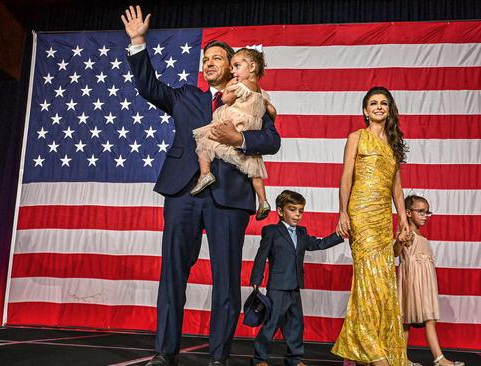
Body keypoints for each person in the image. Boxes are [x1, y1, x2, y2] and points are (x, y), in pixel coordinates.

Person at [121, 6, 281, 366]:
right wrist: (137, 42)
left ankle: (218, 358)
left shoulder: (254, 100)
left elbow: (272, 141)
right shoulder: (185, 97)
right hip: (183, 194)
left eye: (218, 58)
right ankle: (165, 353)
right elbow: (148, 86)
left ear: (233, 65)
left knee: (226, 281)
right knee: (172, 274)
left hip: (229, 199)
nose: (209, 63)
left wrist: (240, 138)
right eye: (205, 58)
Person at [331, 86, 410, 366]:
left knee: (384, 282)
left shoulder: (393, 143)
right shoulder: (357, 137)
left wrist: (403, 219)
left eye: (384, 103)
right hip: (360, 214)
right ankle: (372, 351)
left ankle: (377, 346)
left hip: (382, 217)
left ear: (389, 110)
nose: (378, 107)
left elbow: (397, 188)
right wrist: (343, 213)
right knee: (368, 277)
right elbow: (346, 177)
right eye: (373, 103)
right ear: (365, 110)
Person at [249, 190, 345, 366]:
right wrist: (256, 280)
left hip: (294, 287)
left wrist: (339, 235)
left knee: (295, 325)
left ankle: (294, 359)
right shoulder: (271, 231)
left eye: (300, 211)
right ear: (280, 211)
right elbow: (261, 256)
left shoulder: (302, 233)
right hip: (277, 287)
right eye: (292, 210)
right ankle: (259, 359)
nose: (297, 215)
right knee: (271, 324)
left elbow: (319, 244)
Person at [190, 48, 275, 220]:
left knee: (204, 140)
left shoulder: (240, 85)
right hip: (250, 127)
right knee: (254, 168)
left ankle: (205, 173)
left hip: (233, 122)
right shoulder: (261, 92)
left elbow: (226, 100)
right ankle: (263, 200)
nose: (233, 71)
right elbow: (272, 111)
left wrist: (228, 88)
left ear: (251, 67)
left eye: (236, 66)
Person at [394, 195, 465, 366]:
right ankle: (439, 359)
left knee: (409, 321)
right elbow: (395, 252)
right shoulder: (407, 232)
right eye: (421, 212)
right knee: (420, 319)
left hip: (423, 280)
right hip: (413, 280)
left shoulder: (418, 233)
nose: (425, 216)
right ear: (409, 213)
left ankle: (401, 359)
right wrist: (399, 241)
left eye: (427, 212)